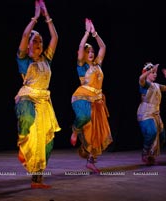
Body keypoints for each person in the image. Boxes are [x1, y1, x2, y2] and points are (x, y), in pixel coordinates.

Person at [14, 0, 60, 189]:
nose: (39, 43)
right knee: (26, 116)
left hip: (44, 100)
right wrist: (35, 17)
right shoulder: (23, 58)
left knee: (46, 141)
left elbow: (55, 38)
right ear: (29, 46)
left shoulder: (47, 59)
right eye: (36, 41)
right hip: (28, 97)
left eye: (41, 41)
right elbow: (25, 34)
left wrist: (47, 17)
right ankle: (22, 142)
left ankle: (37, 179)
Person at [70, 18, 113, 173]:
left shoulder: (97, 64)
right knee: (87, 125)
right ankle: (75, 131)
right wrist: (87, 33)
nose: (91, 53)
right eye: (88, 52)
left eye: (92, 51)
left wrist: (95, 33)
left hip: (98, 101)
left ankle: (90, 161)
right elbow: (81, 46)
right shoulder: (81, 66)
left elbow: (103, 46)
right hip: (84, 97)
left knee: (97, 133)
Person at [137, 63, 166, 165]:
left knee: (162, 137)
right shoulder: (145, 84)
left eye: (155, 73)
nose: (155, 74)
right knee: (152, 132)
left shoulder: (157, 85)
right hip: (145, 113)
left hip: (156, 114)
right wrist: (150, 69)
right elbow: (141, 77)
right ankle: (145, 152)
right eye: (153, 72)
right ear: (147, 73)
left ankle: (151, 156)